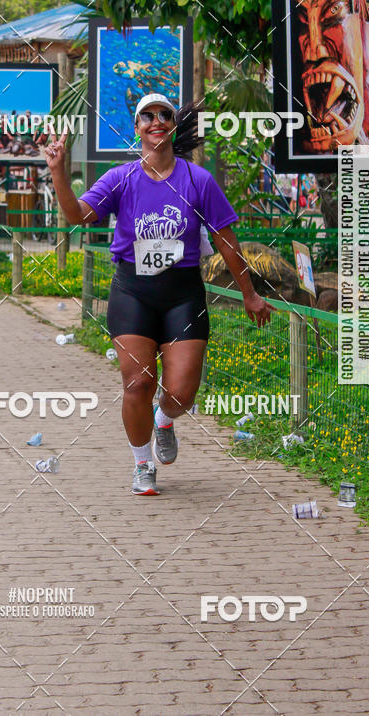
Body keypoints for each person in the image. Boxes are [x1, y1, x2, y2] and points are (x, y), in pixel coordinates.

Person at [42, 93, 275, 495]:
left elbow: (226, 242)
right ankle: (142, 463)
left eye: (163, 115)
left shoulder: (197, 180)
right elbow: (76, 216)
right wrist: (59, 172)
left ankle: (164, 420)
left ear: (171, 125)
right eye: (146, 116)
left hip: (182, 293)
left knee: (181, 394)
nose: (155, 121)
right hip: (133, 291)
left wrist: (250, 294)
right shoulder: (120, 178)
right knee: (138, 384)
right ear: (137, 129)